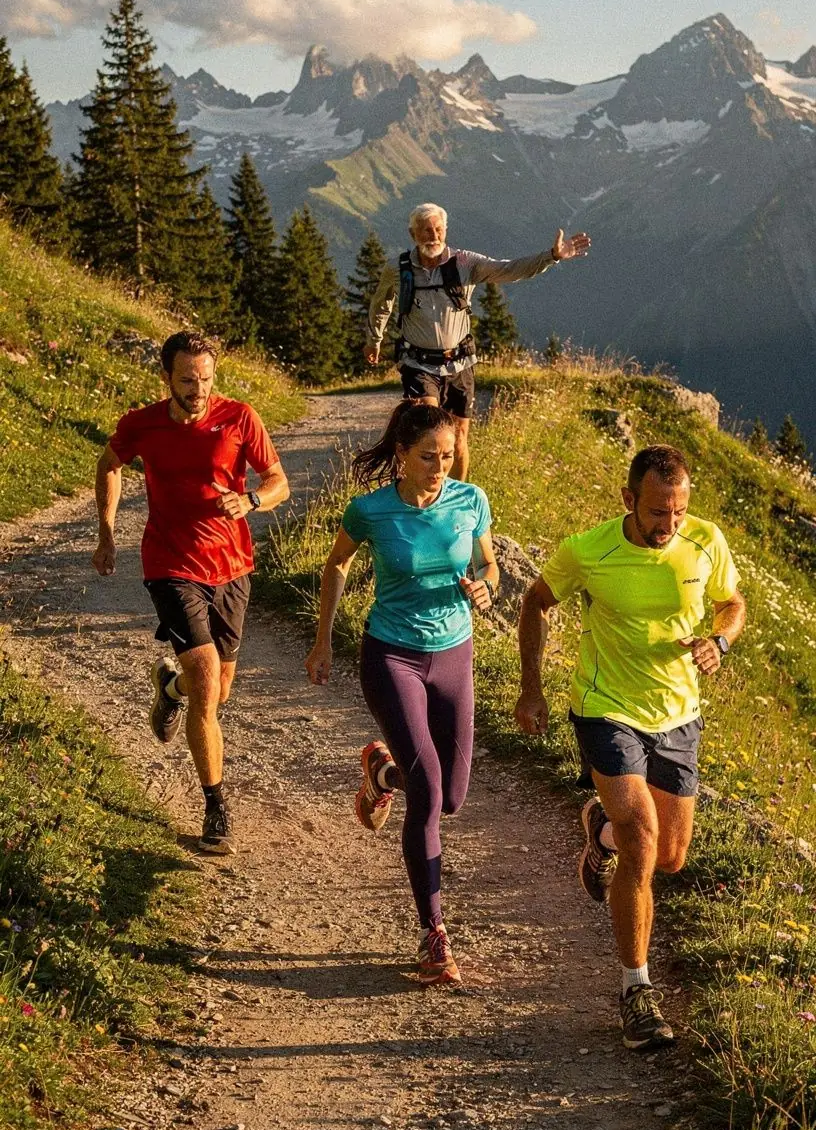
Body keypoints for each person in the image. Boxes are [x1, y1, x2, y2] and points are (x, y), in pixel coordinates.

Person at [514, 445, 746, 1051]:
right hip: (605, 706)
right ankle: (635, 991)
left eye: (677, 512)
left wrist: (719, 642)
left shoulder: (705, 540)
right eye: (655, 513)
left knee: (669, 857)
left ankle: (602, 831)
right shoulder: (588, 549)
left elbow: (732, 603)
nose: (668, 526)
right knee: (643, 837)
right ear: (628, 501)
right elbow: (534, 603)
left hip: (679, 713)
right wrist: (530, 690)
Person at [305, 402, 498, 984]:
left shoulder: (471, 501)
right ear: (401, 455)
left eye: (446, 456)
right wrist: (323, 642)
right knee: (430, 792)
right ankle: (433, 933)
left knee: (452, 798)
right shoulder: (370, 510)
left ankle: (380, 773)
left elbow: (489, 565)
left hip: (455, 655)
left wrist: (485, 589)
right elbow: (336, 565)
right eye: (427, 457)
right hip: (391, 654)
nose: (440, 467)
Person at [92, 330, 289, 855]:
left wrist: (252, 500)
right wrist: (108, 532)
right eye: (187, 380)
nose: (198, 390)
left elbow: (278, 481)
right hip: (170, 564)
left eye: (205, 379)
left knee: (218, 690)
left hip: (232, 567)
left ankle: (169, 690)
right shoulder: (143, 424)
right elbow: (110, 463)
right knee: (207, 684)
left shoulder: (240, 416)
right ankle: (216, 805)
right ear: (167, 378)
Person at [363, 202, 591, 481]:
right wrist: (374, 339)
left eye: (437, 229)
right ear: (413, 234)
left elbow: (507, 269)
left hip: (460, 363)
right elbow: (381, 303)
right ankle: (420, 493)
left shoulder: (464, 262)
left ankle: (457, 499)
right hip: (418, 364)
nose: (432, 236)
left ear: (445, 230)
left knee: (458, 439)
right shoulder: (397, 268)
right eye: (425, 231)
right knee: (427, 433)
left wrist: (551, 256)